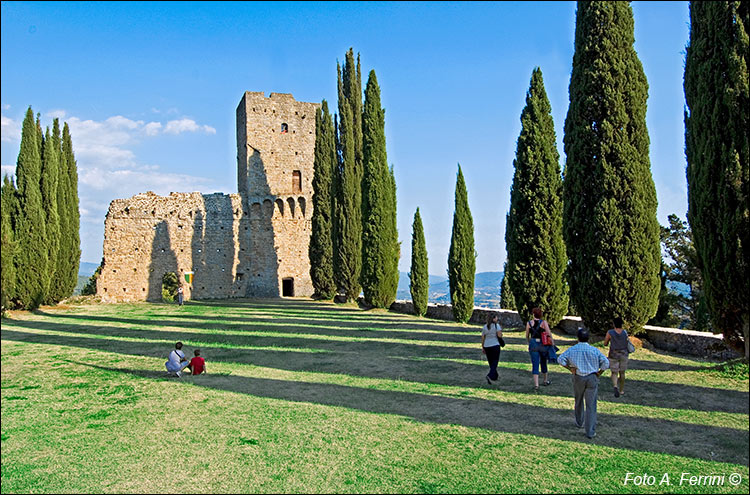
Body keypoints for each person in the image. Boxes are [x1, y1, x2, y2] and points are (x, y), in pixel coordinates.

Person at [557, 328, 610, 439]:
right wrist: (599, 372)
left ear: (578, 338)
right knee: (591, 405)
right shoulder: (594, 350)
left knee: (579, 400)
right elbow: (606, 363)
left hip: (578, 377)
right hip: (592, 377)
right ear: (588, 338)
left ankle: (579, 422)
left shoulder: (572, 349)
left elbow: (560, 359)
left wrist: (570, 368)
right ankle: (590, 431)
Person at [525, 307, 554, 390]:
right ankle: (545, 380)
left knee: (535, 363)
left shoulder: (529, 323)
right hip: (542, 343)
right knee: (543, 362)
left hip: (533, 343)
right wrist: (552, 343)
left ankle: (536, 384)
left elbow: (527, 335)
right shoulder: (543, 323)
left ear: (533, 314)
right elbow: (548, 333)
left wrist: (529, 342)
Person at [603, 316, 629, 397]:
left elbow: (605, 343)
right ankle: (621, 390)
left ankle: (615, 386)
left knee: (614, 372)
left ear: (614, 324)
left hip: (613, 354)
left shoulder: (610, 332)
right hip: (624, 354)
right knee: (622, 372)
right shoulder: (625, 332)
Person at [481, 313, 503, 384]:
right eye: (496, 318)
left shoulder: (485, 327)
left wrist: (483, 347)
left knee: (491, 362)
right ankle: (490, 375)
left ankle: (495, 376)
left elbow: (483, 338)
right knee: (495, 362)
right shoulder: (497, 326)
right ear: (493, 319)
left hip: (487, 346)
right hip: (495, 345)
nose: (497, 319)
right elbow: (499, 336)